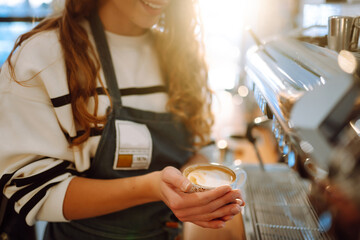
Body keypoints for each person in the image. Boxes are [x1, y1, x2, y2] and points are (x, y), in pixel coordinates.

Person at [0, 0, 245, 239]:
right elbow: (37, 191)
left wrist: (190, 191)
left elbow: (200, 145)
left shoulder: (181, 58)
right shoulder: (43, 57)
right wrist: (152, 188)